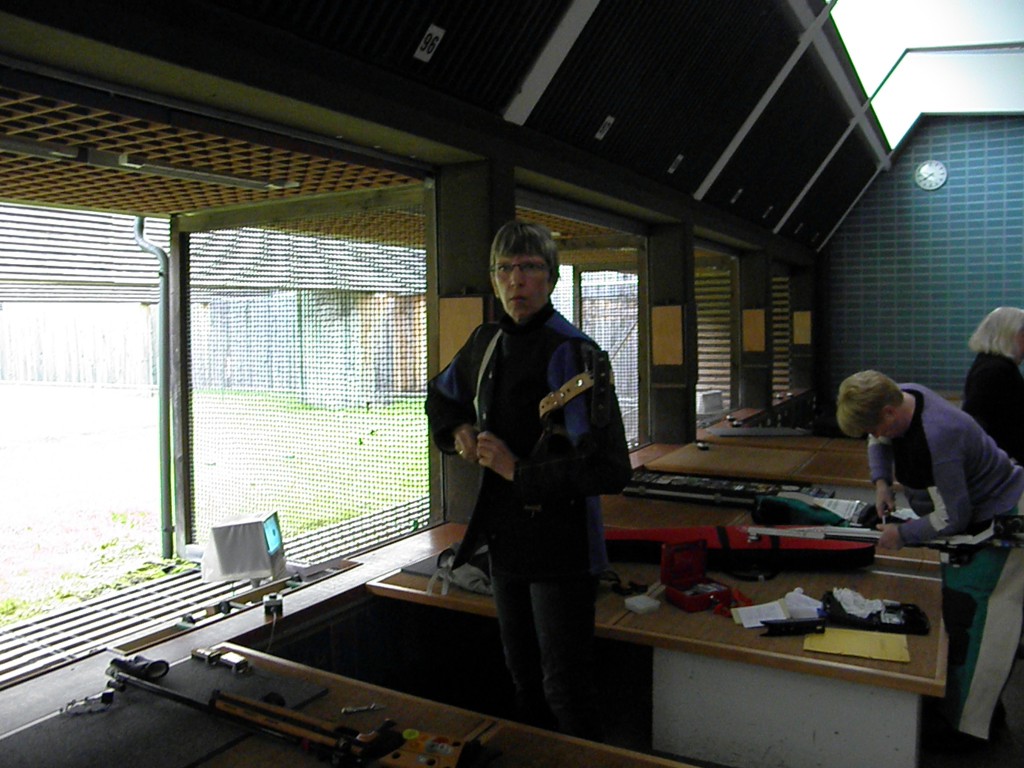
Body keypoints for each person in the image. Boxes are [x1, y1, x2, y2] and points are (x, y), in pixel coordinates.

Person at [425, 220, 631, 740]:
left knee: (565, 688)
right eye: (505, 269)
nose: (517, 280)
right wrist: (459, 431)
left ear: (552, 278)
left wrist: (517, 470)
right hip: (505, 540)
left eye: (530, 267)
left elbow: (609, 467)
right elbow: (441, 397)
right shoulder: (486, 342)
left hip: (563, 546)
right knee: (523, 681)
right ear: (494, 280)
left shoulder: (574, 351)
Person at [836, 370, 1024, 742]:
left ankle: (969, 731)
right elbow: (877, 440)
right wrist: (881, 483)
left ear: (889, 413)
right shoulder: (901, 396)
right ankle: (975, 711)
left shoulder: (940, 435)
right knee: (958, 617)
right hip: (972, 521)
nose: (875, 435)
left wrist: (902, 535)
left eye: (876, 426)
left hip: (1003, 520)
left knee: (980, 626)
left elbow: (954, 516)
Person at [962, 306, 1024, 465]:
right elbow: (979, 420)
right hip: (1001, 459)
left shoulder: (990, 365)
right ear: (1010, 335)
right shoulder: (996, 370)